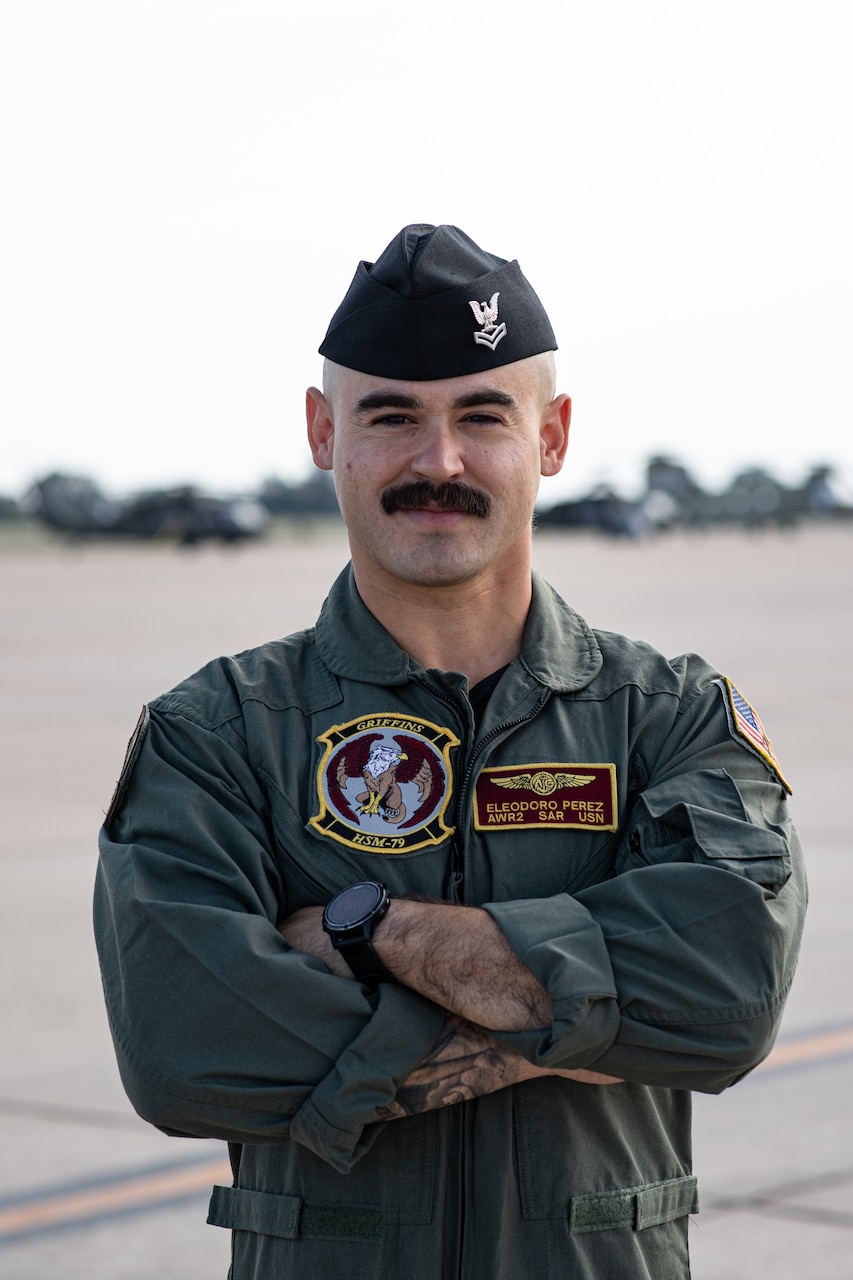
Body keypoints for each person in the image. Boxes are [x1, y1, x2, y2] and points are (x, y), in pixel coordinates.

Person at [94, 224, 806, 1280]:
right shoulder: (218, 734)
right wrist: (592, 1016)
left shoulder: (668, 716)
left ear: (553, 435)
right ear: (321, 430)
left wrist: (373, 931)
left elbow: (725, 999)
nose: (439, 461)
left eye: (483, 415)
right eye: (391, 416)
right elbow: (186, 1052)